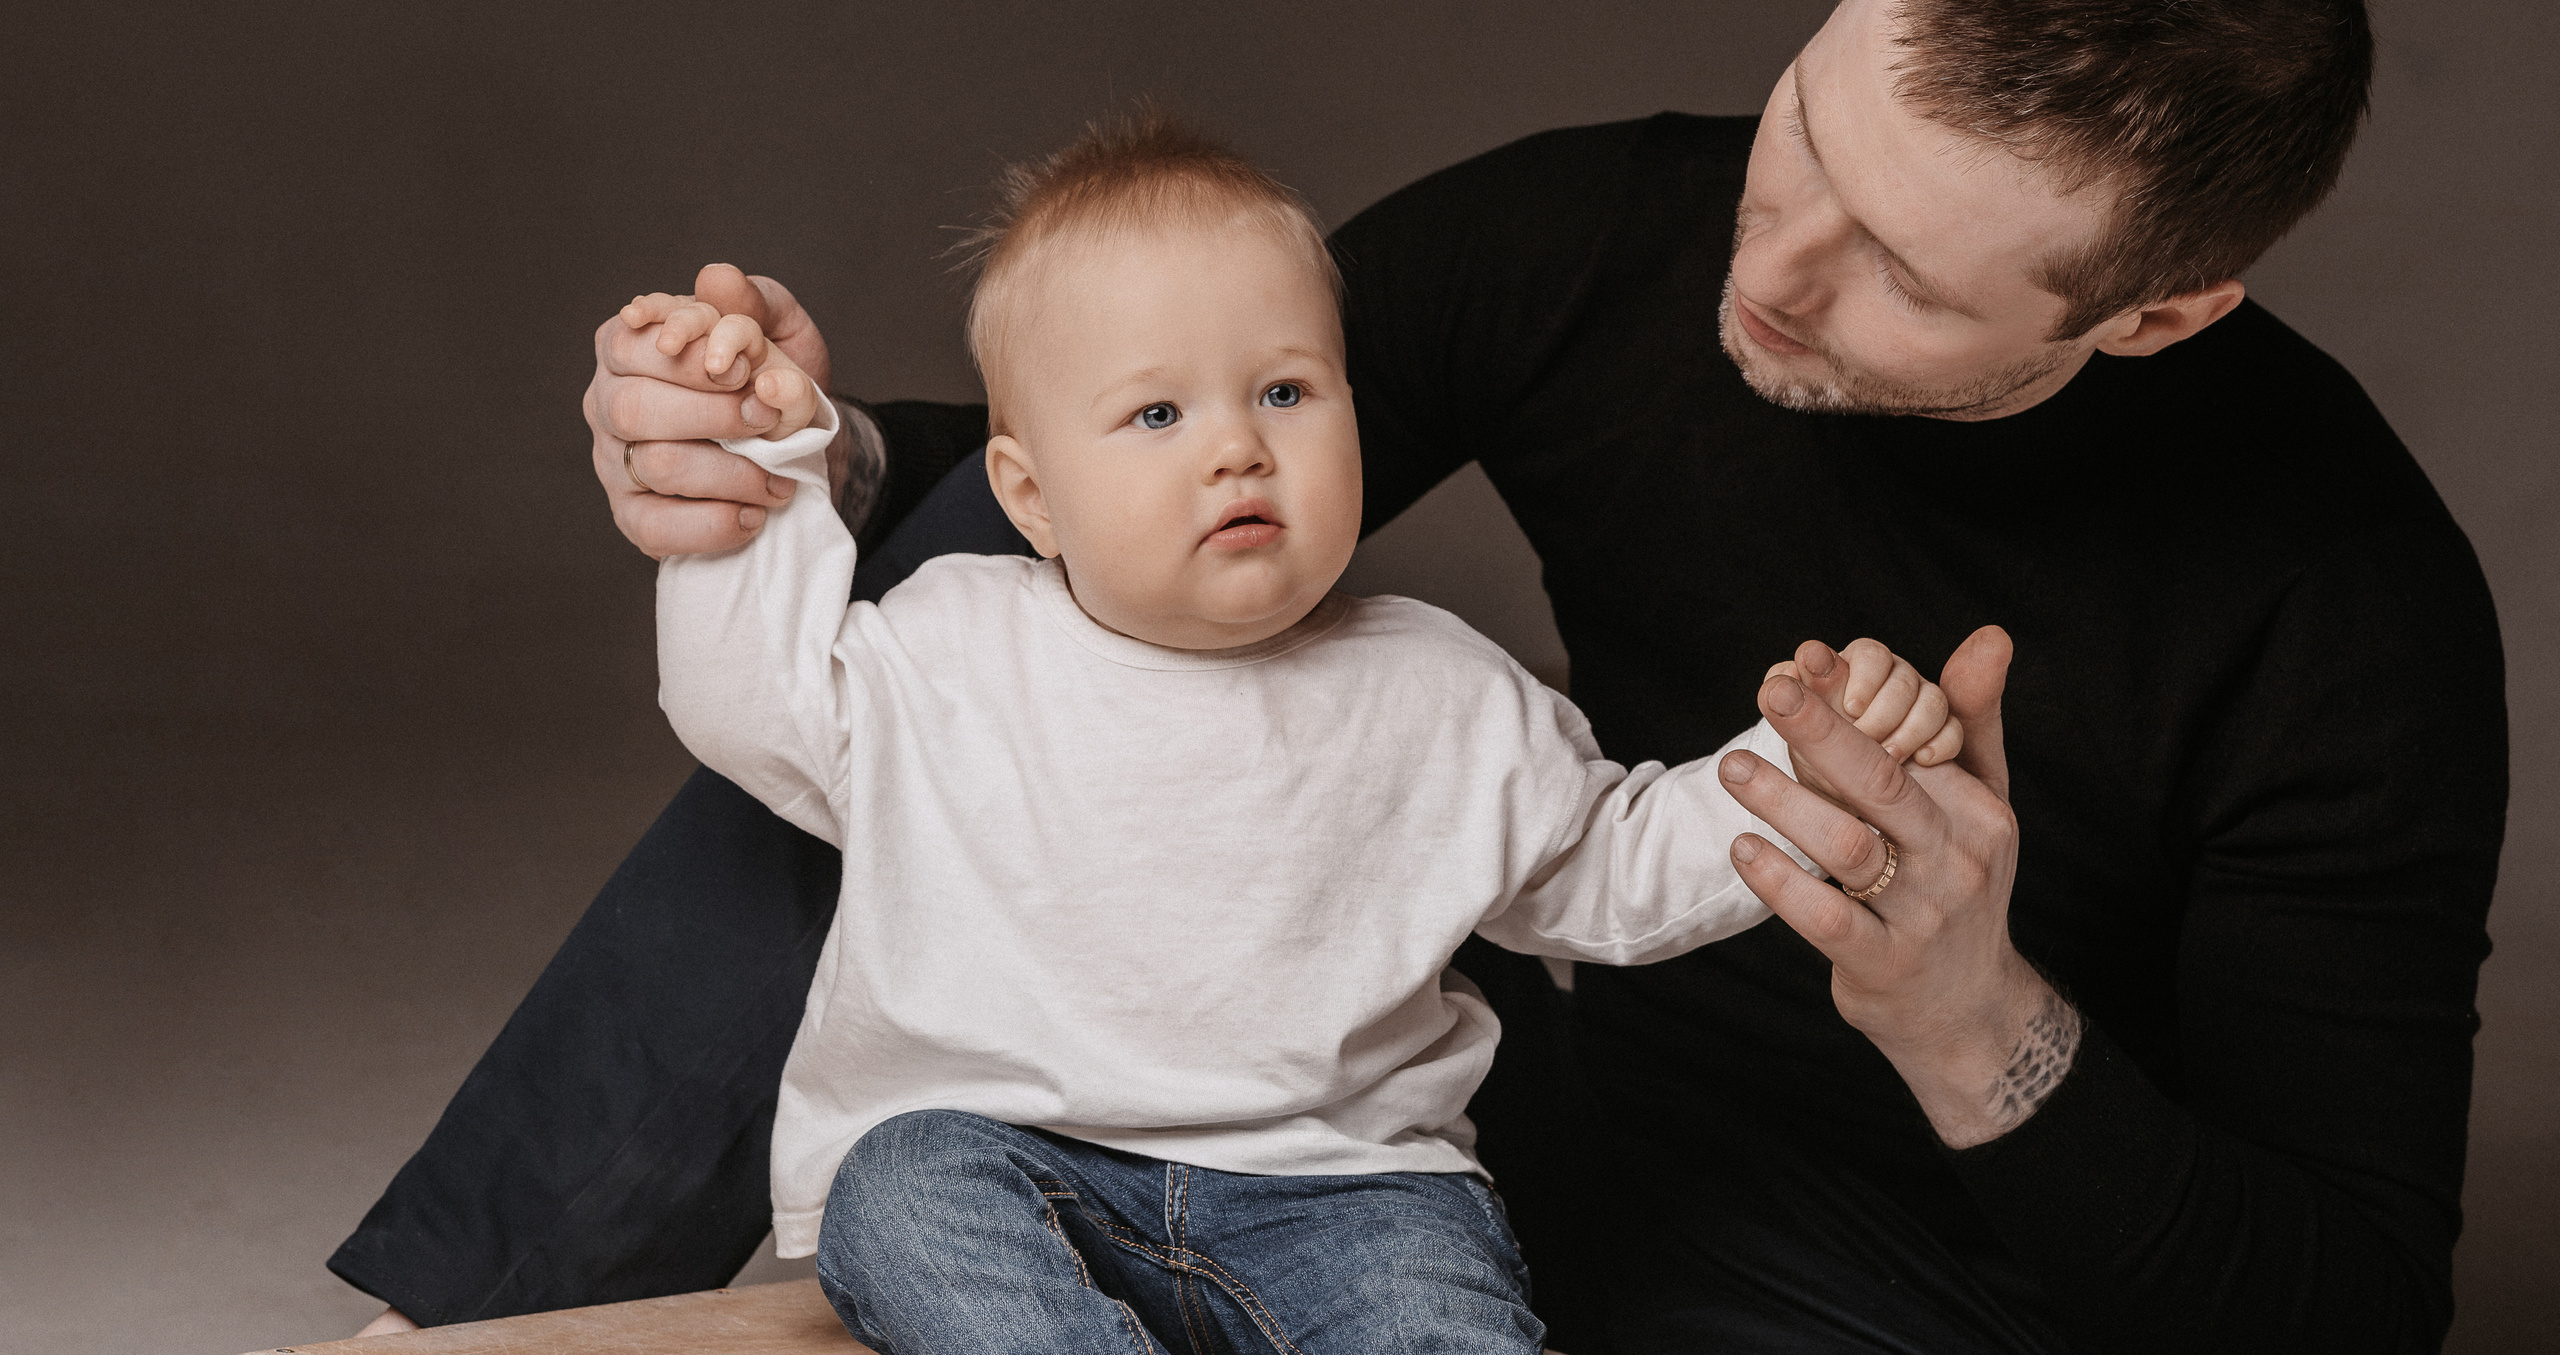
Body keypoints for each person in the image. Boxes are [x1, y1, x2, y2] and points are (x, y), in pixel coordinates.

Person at [335, 0, 2507, 1354]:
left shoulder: (2347, 610)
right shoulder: (1601, 242)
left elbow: (2328, 1301)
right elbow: (1159, 461)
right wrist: (785, 450)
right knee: (937, 658)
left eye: (1897, 272)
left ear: (2151, 314)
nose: (1770, 266)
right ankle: (486, 1310)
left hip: (1887, 1269)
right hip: (1455, 1128)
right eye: (1803, 137)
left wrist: (1967, 1015)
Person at [625, 115, 1962, 1351]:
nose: (1238, 452)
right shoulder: (949, 648)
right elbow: (748, 699)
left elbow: (1609, 870)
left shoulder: (1439, 689)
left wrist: (1812, 770)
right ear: (1031, 495)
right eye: (1158, 414)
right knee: (898, 1190)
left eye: (1284, 393)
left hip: (1353, 1192)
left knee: (1441, 1310)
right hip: (1012, 1154)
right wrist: (764, 479)